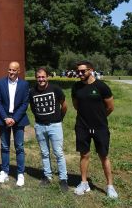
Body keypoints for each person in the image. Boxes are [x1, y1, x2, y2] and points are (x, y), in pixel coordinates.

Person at [71, 61, 118, 199]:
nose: (79, 74)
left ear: (91, 70)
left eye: (82, 71)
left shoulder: (101, 86)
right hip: (82, 126)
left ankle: (110, 186)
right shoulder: (76, 87)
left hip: (100, 127)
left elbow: (110, 107)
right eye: (78, 71)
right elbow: (76, 105)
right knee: (84, 155)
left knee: (104, 156)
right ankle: (84, 183)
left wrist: (99, 118)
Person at [29, 67, 69, 192]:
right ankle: (47, 176)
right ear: (36, 78)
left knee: (58, 153)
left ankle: (63, 179)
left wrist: (59, 118)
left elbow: (64, 105)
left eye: (43, 77)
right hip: (40, 126)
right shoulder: (32, 91)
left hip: (55, 125)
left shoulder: (55, 89)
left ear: (47, 77)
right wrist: (39, 119)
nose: (41, 79)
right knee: (44, 153)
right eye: (39, 77)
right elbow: (33, 107)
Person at [0, 61, 30, 187]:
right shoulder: (0, 83)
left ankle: (20, 174)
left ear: (18, 71)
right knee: (4, 146)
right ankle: (4, 172)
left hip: (18, 119)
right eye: (9, 70)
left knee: (19, 147)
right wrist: (5, 118)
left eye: (14, 70)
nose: (11, 72)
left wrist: (14, 118)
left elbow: (25, 103)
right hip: (3, 118)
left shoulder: (24, 84)